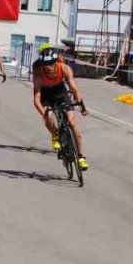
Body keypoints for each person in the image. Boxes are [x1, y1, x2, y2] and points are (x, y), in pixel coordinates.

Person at [32, 43, 89, 171]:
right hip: (46, 94)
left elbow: (73, 88)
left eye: (51, 63)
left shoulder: (64, 68)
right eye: (46, 64)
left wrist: (81, 105)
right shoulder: (39, 74)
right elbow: (36, 99)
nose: (49, 67)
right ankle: (55, 134)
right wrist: (44, 114)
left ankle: (81, 157)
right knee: (49, 115)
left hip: (60, 91)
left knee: (73, 125)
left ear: (55, 61)